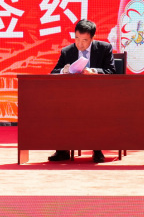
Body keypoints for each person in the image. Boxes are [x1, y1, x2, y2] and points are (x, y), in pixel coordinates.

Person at [48, 19, 116, 163]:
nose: (80, 44)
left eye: (84, 40)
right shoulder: (67, 51)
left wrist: (93, 71)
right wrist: (63, 71)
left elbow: (111, 71)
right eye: (77, 38)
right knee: (59, 108)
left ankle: (97, 150)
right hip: (72, 96)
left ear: (92, 38)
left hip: (98, 95)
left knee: (94, 110)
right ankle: (62, 150)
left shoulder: (104, 48)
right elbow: (53, 72)